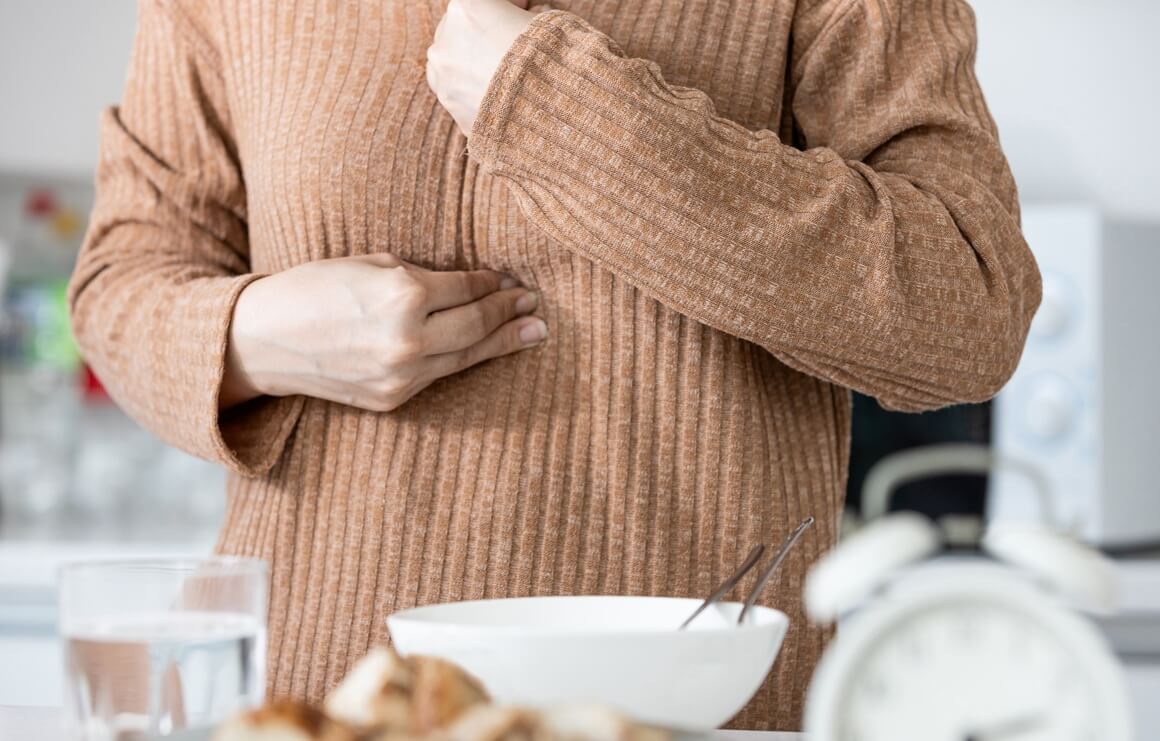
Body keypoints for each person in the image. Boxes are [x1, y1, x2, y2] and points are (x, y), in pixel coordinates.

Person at [68, 0, 1040, 729]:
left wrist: (553, 107)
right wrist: (256, 333)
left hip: (690, 714)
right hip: (326, 705)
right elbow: (119, 287)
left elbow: (969, 305)